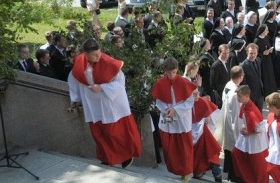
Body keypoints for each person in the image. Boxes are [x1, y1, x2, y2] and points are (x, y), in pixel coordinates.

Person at [68, 39, 141, 168]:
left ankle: (126, 156)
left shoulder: (109, 63)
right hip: (92, 105)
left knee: (115, 133)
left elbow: (120, 82)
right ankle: (107, 158)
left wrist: (102, 88)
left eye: (99, 53)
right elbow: (74, 79)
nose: (98, 56)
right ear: (85, 54)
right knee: (99, 134)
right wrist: (75, 99)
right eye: (94, 55)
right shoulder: (80, 63)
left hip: (110, 104)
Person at [151, 57, 197, 181]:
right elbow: (159, 101)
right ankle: (175, 169)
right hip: (167, 119)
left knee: (184, 147)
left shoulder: (184, 82)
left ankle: (186, 171)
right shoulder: (160, 82)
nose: (171, 75)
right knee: (170, 147)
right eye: (169, 72)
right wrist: (166, 109)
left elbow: (189, 102)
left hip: (181, 120)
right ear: (165, 71)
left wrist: (175, 110)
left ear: (177, 70)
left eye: (174, 72)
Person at [231, 85, 269, 183]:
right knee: (236, 153)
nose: (238, 98)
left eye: (239, 96)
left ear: (247, 96)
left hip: (257, 144)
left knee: (258, 168)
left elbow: (260, 127)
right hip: (249, 140)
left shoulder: (252, 110)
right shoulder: (244, 106)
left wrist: (248, 131)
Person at [218, 66, 244, 182]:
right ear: (241, 77)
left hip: (227, 124)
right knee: (233, 156)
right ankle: (233, 178)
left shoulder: (228, 85)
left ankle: (230, 175)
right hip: (232, 128)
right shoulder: (235, 94)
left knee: (229, 153)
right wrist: (238, 136)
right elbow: (235, 116)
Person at [254, 24, 277, 97]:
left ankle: (272, 91)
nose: (268, 31)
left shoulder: (266, 37)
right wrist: (263, 53)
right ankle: (266, 93)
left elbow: (268, 46)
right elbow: (255, 52)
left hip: (268, 60)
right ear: (263, 31)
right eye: (266, 30)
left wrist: (270, 50)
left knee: (270, 75)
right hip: (262, 62)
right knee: (265, 76)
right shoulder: (257, 40)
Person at [240, 43, 265, 111]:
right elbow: (243, 84)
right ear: (247, 53)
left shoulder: (258, 60)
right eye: (251, 53)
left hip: (259, 93)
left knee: (259, 114)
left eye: (255, 53)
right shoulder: (242, 66)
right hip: (250, 95)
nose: (253, 55)